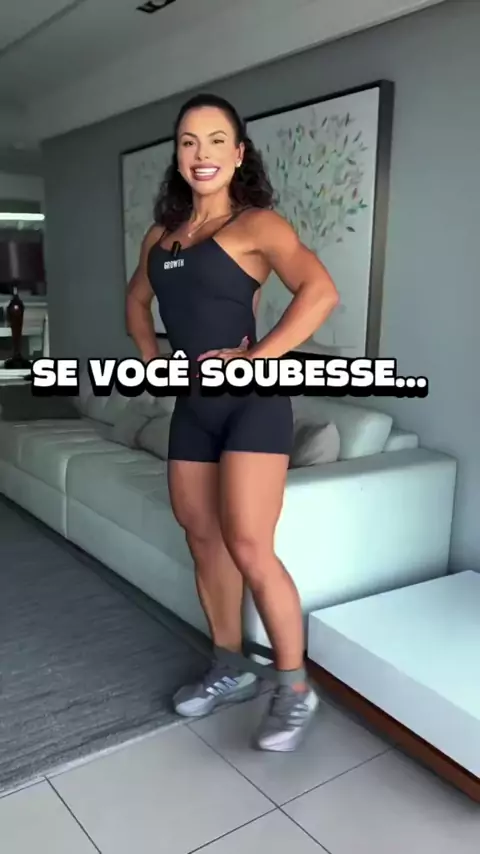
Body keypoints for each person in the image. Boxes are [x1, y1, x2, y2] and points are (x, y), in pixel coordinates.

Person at [126, 92, 339, 752]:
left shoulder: (256, 226)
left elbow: (320, 292)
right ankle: (231, 665)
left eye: (217, 140)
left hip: (254, 404)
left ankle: (295, 688)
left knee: (248, 544)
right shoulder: (161, 238)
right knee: (203, 538)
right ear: (177, 155)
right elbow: (136, 301)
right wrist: (153, 362)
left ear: (238, 153)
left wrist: (258, 357)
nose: (202, 153)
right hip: (193, 408)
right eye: (189, 141)